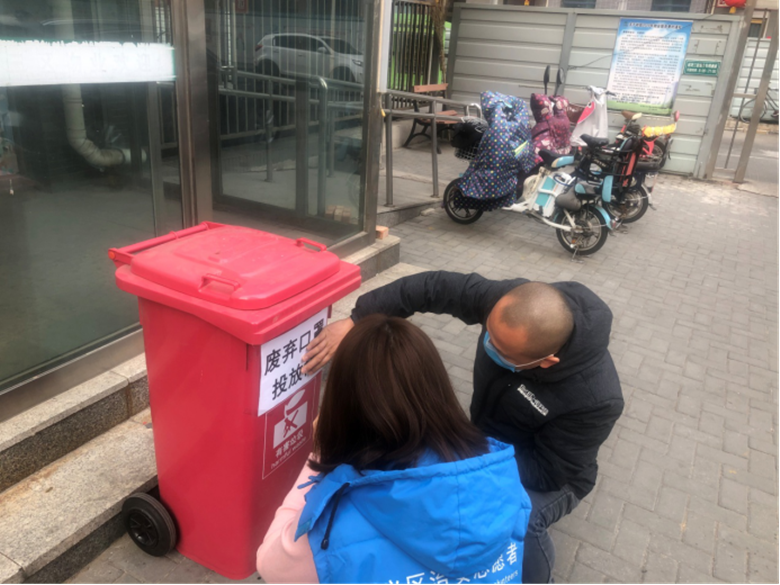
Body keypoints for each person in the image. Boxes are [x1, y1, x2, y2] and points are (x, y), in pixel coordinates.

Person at [301, 272, 624, 585]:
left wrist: (470, 466)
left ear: (545, 361)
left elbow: (548, 472)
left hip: (556, 477)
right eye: (488, 335)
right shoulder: (506, 303)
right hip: (485, 443)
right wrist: (357, 319)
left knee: (519, 519)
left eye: (502, 351)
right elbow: (430, 287)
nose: (489, 346)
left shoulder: (595, 399)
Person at [257, 315, 532, 584]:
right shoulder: (502, 477)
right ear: (437, 388)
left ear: (342, 403)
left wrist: (319, 455)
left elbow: (269, 565)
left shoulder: (331, 525)